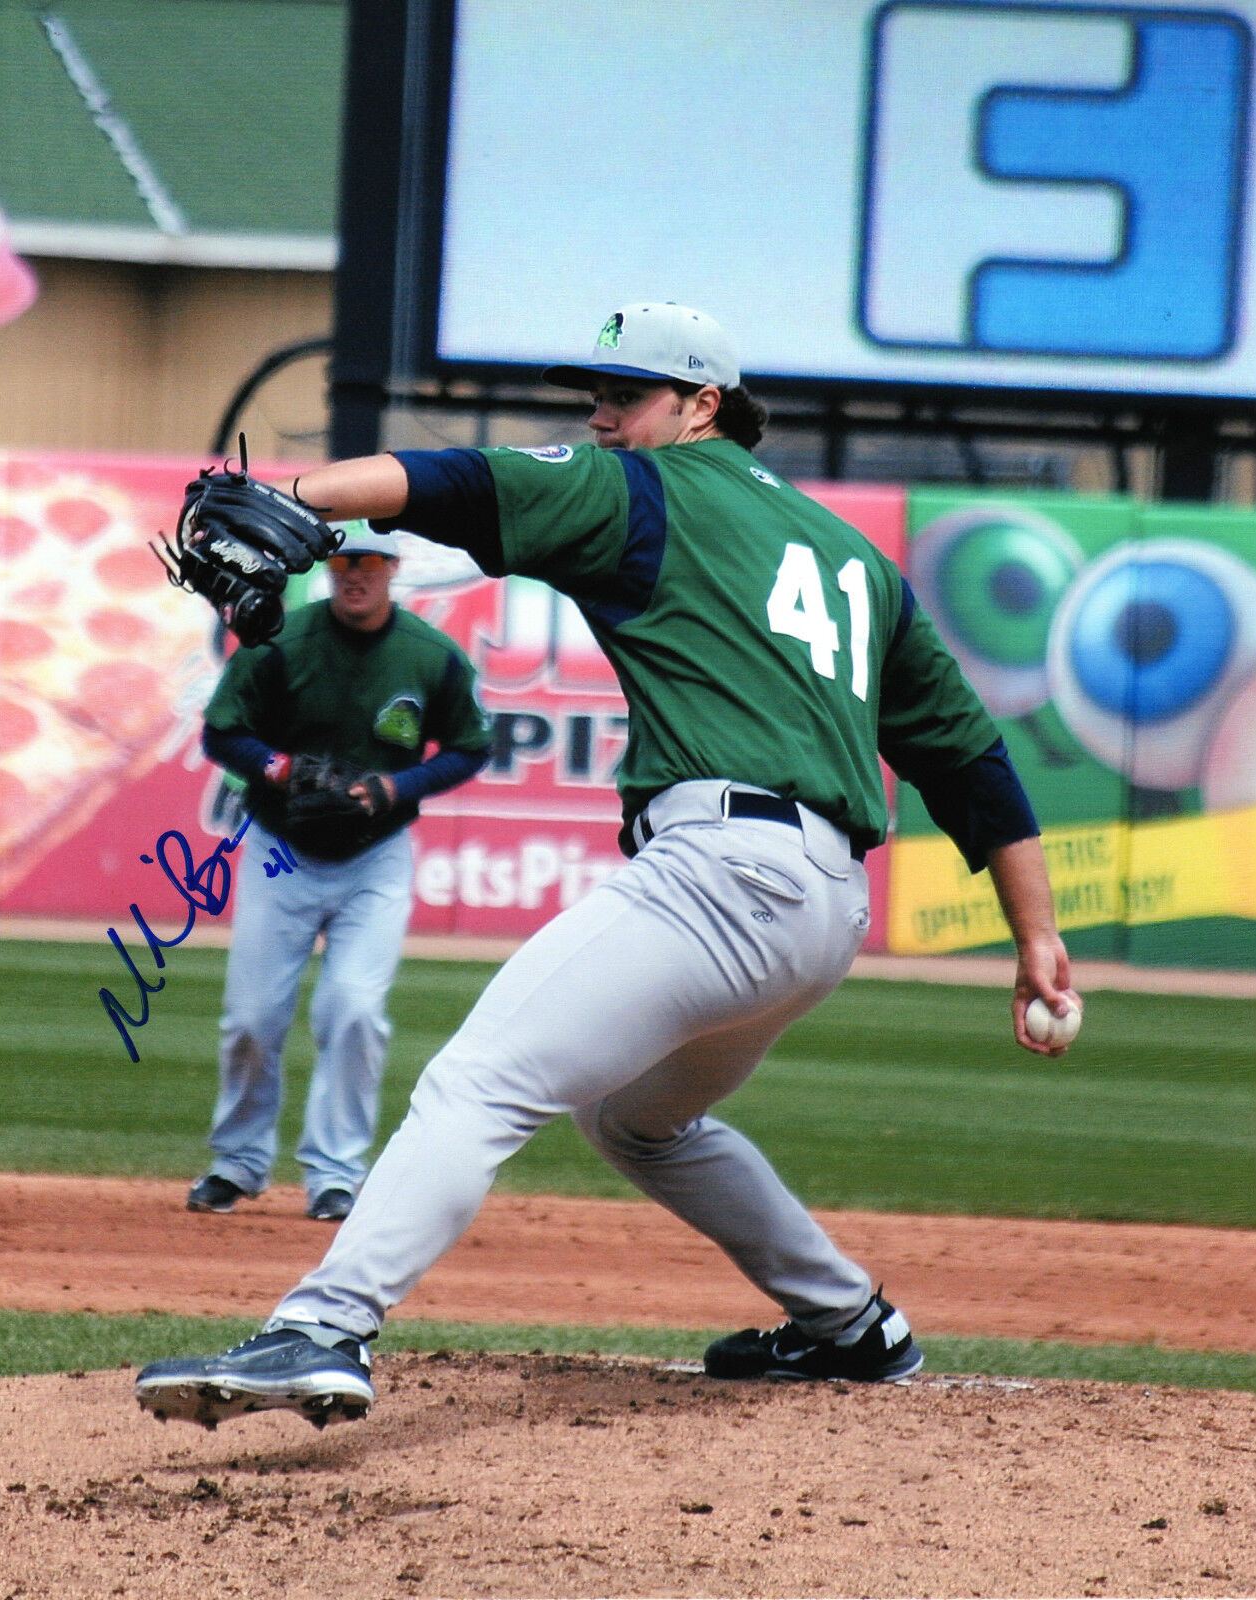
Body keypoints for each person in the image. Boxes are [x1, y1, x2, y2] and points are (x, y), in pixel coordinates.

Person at [137, 301, 1078, 1429]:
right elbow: (966, 757)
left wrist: (302, 499)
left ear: (701, 406)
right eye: (596, 395)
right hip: (823, 909)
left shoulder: (648, 487)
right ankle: (848, 1325)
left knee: (477, 1080)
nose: (602, 415)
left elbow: (458, 481)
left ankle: (322, 1328)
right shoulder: (852, 556)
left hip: (721, 878)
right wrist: (1037, 937)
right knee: (637, 1121)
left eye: (626, 395)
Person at [185, 523, 491, 1223]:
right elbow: (221, 731)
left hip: (375, 853)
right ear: (329, 568)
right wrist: (281, 767)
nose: (357, 574)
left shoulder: (429, 657)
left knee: (353, 1011)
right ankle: (236, 1163)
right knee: (252, 1019)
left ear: (392, 568)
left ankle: (335, 1173)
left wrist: (395, 788)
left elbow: (471, 745)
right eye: (345, 561)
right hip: (280, 845)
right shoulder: (281, 642)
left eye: (371, 562)